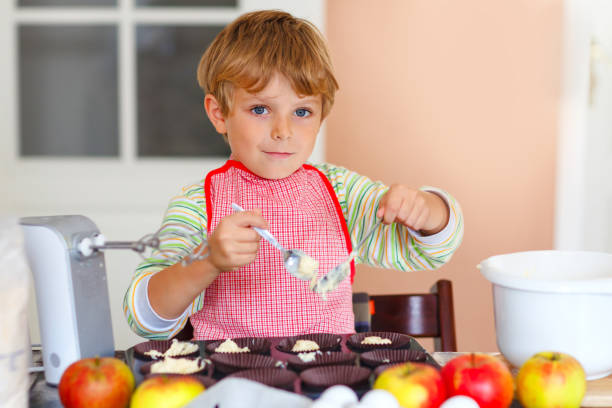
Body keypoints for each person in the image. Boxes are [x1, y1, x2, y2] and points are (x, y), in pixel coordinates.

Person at [123, 10, 464, 340]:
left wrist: (426, 210)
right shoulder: (198, 204)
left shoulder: (341, 193)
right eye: (260, 109)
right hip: (235, 385)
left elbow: (432, 250)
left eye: (302, 111)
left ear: (320, 117)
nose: (283, 130)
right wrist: (206, 261)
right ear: (219, 113)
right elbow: (144, 317)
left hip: (329, 383)